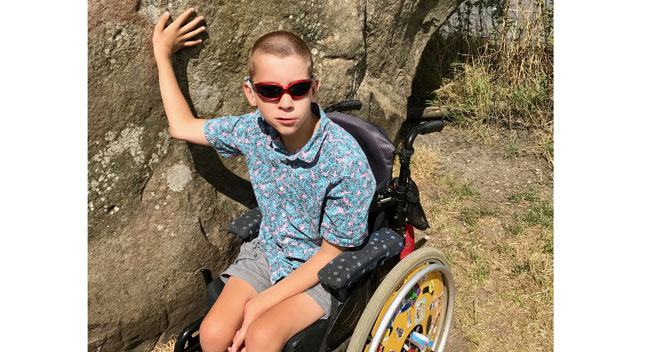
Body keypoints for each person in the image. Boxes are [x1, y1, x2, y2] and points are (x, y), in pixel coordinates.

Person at [152, 8, 376, 352]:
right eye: (270, 91)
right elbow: (181, 126)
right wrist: (162, 55)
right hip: (270, 251)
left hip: (321, 271)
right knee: (212, 333)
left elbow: (333, 252)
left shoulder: (344, 162)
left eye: (298, 88)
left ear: (314, 89)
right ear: (250, 93)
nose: (285, 103)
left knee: (260, 337)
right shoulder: (253, 131)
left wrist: (262, 303)